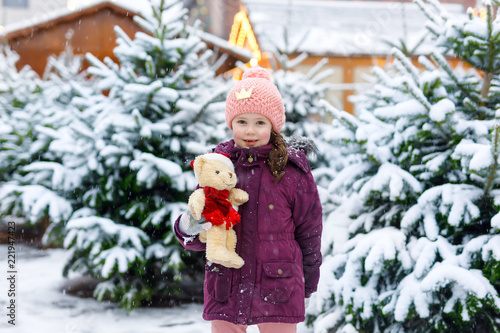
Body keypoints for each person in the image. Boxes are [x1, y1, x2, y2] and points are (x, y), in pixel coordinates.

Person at [174, 66, 322, 333]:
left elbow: (310, 233)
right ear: (231, 123)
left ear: (273, 125)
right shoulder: (218, 167)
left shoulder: (291, 172)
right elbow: (201, 237)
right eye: (242, 121)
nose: (250, 131)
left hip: (279, 285)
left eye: (260, 122)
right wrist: (189, 225)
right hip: (226, 283)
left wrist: (309, 284)